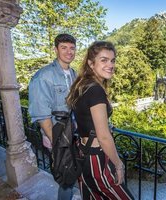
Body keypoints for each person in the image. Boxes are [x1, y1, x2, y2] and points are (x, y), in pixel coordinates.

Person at [67, 41, 134, 200]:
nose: (110, 64)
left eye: (112, 60)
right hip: (96, 158)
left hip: (83, 153)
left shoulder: (82, 86)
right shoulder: (96, 90)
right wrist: (118, 165)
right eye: (104, 60)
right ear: (91, 63)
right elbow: (103, 136)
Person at [28, 33, 80, 200]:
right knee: (65, 179)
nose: (69, 52)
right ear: (56, 49)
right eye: (64, 47)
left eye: (72, 48)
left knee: (74, 173)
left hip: (73, 135)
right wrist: (58, 145)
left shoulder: (74, 74)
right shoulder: (43, 76)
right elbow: (42, 115)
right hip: (57, 137)